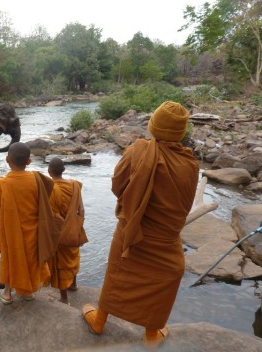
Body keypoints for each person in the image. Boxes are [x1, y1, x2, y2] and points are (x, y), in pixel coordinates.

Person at [81, 101, 199, 348]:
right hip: (166, 239)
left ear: (153, 126)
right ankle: (152, 333)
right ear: (181, 133)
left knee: (118, 275)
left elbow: (117, 185)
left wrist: (136, 201)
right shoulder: (190, 163)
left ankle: (100, 320)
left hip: (132, 231)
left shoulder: (138, 152)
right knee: (162, 280)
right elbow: (183, 204)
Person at [0, 142, 58, 304]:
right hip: (33, 230)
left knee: (11, 259)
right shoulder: (36, 178)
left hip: (11, 233)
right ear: (28, 161)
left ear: (7, 160)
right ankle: (27, 292)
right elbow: (49, 188)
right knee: (31, 259)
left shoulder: (3, 184)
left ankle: (7, 293)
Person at [47, 157, 87, 305]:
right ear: (64, 170)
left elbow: (54, 216)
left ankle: (64, 299)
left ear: (49, 171)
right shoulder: (75, 185)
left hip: (60, 232)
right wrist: (77, 226)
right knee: (73, 256)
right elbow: (81, 209)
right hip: (74, 228)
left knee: (61, 264)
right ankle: (73, 284)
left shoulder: (52, 189)